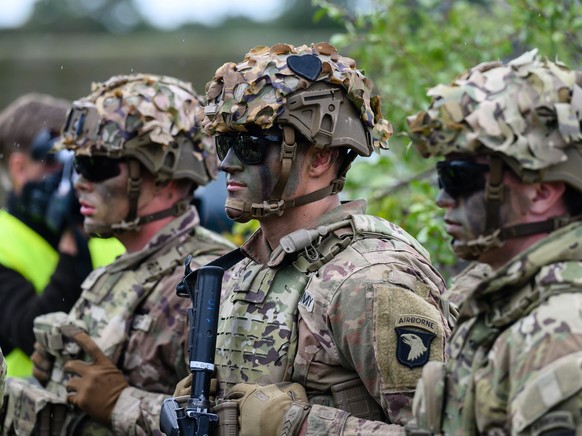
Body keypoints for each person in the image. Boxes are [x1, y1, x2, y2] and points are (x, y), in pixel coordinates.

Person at [174, 42, 453, 435]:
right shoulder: (242, 272)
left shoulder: (373, 283)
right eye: (226, 143)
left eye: (251, 147)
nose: (227, 163)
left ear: (320, 157)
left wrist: (294, 425)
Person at [2, 74, 234, 435]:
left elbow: (230, 421)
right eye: (76, 164)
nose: (79, 182)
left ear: (162, 175)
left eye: (96, 166)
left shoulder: (213, 283)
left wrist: (121, 402)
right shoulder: (115, 271)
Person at [406, 49, 582, 434]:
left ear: (541, 192)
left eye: (460, 177)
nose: (443, 199)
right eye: (442, 177)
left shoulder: (563, 328)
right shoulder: (504, 299)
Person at [0, 94, 124, 378]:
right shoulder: (3, 242)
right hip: (24, 417)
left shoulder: (105, 231)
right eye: (57, 160)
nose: (74, 175)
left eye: (79, 159)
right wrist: (73, 243)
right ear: (20, 168)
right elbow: (31, 333)